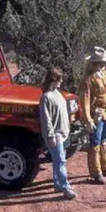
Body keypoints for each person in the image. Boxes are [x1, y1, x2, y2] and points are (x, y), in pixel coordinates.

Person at [78, 46, 106, 185]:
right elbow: (84, 100)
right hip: (96, 114)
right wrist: (88, 119)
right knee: (95, 142)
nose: (103, 65)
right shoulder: (88, 79)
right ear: (95, 63)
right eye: (101, 63)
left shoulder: (104, 74)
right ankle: (96, 172)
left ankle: (105, 166)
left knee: (103, 140)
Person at [38, 67, 77, 200]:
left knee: (58, 160)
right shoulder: (45, 97)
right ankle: (66, 187)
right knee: (60, 160)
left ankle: (58, 184)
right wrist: (50, 136)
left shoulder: (58, 94)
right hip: (55, 135)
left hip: (63, 132)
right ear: (54, 80)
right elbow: (46, 119)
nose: (61, 82)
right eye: (59, 79)